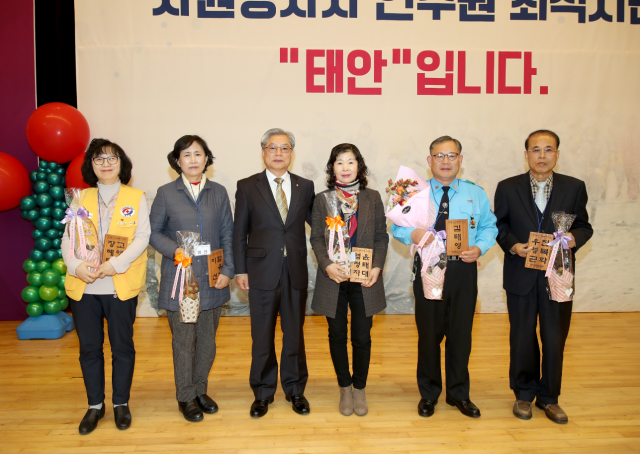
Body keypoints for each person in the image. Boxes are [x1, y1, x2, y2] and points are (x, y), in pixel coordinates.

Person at [391, 135, 497, 419]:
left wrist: (480, 247)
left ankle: (458, 393)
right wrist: (411, 233)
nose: (445, 161)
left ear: (461, 160)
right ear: (429, 161)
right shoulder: (415, 192)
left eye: (451, 155)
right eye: (439, 156)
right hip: (428, 267)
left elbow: (489, 226)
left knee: (461, 334)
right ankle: (429, 394)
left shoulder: (476, 193)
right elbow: (397, 227)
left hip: (463, 269)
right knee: (428, 334)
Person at [494, 130, 593, 424]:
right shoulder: (507, 187)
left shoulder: (574, 187)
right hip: (521, 273)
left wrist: (573, 239)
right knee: (522, 337)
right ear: (526, 154)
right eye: (535, 149)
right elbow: (499, 225)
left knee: (554, 338)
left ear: (557, 154)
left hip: (558, 275)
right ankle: (524, 394)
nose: (542, 155)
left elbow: (584, 226)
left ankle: (549, 398)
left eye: (548, 149)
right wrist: (513, 245)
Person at [62, 138, 150, 435]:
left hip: (119, 284)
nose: (106, 164)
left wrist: (117, 264)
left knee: (122, 347)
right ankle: (95, 405)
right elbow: (67, 238)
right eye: (99, 159)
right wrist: (75, 266)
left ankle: (121, 403)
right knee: (89, 348)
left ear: (122, 164)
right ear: (91, 166)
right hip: (85, 286)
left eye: (113, 158)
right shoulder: (79, 198)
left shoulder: (136, 197)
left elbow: (143, 236)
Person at [149, 135, 234, 423]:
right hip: (180, 280)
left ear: (206, 159)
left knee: (207, 342)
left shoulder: (218, 192)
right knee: (184, 342)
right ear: (177, 161)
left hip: (212, 279)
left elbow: (228, 233)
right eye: (186, 155)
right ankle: (185, 396)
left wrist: (228, 270)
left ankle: (200, 389)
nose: (193, 160)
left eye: (198, 154)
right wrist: (175, 250)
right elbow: (153, 233)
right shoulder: (165, 193)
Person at [233, 128, 315, 418]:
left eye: (284, 148)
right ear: (263, 152)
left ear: (292, 153)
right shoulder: (247, 186)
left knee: (294, 335)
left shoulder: (305, 186)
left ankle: (295, 390)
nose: (278, 153)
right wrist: (240, 270)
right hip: (260, 271)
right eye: (272, 148)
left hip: (295, 271)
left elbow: (319, 226)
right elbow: (239, 232)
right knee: (262, 336)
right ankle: (263, 392)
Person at [310, 144, 388, 417]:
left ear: (359, 166)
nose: (345, 167)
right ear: (332, 167)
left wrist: (377, 266)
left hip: (365, 275)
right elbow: (316, 237)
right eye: (339, 162)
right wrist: (327, 264)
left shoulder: (372, 197)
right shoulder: (323, 199)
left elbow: (381, 236)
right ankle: (344, 387)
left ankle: (360, 387)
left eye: (351, 162)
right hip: (334, 276)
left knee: (362, 336)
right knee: (337, 334)